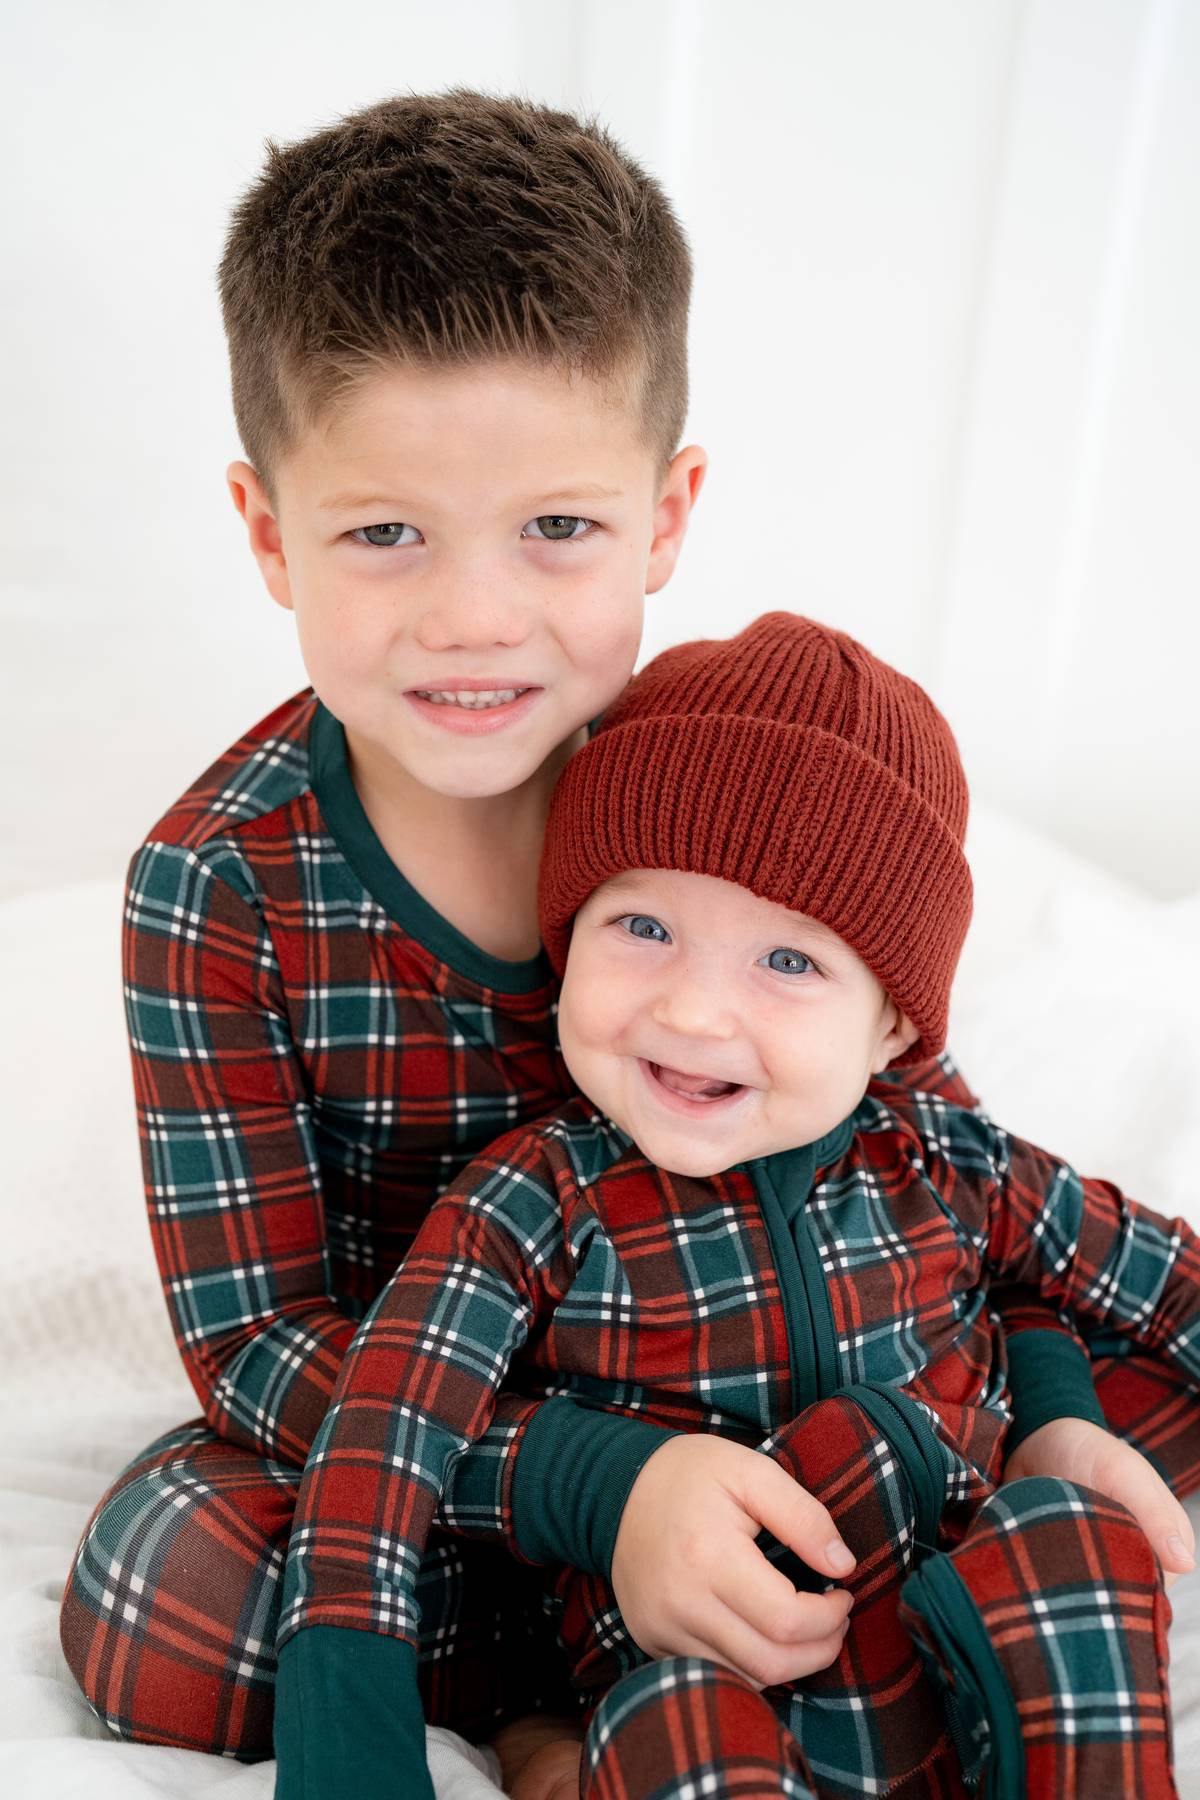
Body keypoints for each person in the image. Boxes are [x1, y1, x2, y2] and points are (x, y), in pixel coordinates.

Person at [55, 87, 1187, 1790]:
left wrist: (1048, 1404)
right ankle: (548, 1719)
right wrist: (600, 1484)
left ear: (666, 513)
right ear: (270, 531)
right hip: (450, 1460)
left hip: (808, 1367)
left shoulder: (732, 784)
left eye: (559, 528)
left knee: (1120, 1418)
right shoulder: (217, 888)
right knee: (170, 1582)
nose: (475, 616)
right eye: (383, 534)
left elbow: (930, 1162)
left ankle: (862, 1625)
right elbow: (258, 1345)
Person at [271, 612, 1200, 1800]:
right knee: (674, 1727)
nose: (698, 1015)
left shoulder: (948, 1161)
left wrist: (1056, 1419)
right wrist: (351, 1761)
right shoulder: (533, 1200)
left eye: (790, 962)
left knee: (1076, 1531)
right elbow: (378, 1450)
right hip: (702, 1667)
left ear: (894, 1026)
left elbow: (1160, 1275)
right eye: (643, 927)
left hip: (954, 1645)